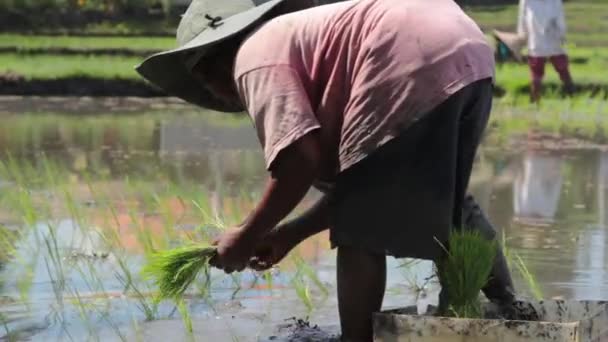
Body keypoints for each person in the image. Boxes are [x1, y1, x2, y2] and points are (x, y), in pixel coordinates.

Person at [137, 0, 515, 340]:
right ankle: (513, 312)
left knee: (359, 233)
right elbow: (356, 188)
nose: (217, 94)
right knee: (450, 200)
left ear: (216, 60)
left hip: (401, 48)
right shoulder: (303, 43)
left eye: (205, 81)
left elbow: (300, 161)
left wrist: (247, 236)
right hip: (467, 47)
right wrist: (289, 235)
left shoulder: (253, 57)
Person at [517, 0, 575, 102]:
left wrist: (561, 35)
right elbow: (522, 19)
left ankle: (572, 97)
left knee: (563, 68)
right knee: (536, 73)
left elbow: (560, 19)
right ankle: (535, 100)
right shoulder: (527, 1)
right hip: (536, 40)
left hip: (554, 38)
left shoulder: (555, 1)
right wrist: (522, 37)